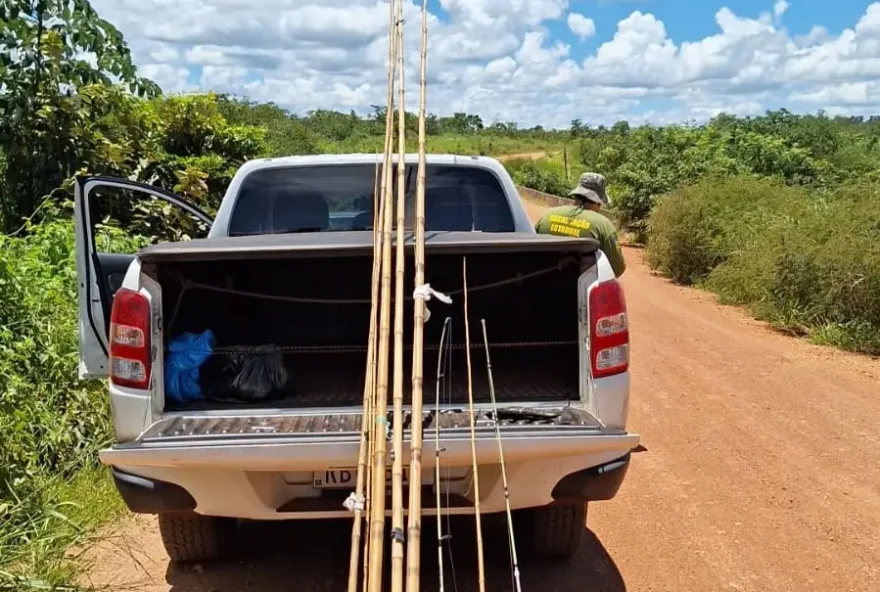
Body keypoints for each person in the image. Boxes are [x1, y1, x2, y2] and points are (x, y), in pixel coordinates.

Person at [533, 172, 626, 277]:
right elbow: (617, 269)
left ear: (576, 195)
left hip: (542, 283)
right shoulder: (603, 225)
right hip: (581, 289)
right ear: (598, 201)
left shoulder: (547, 215)